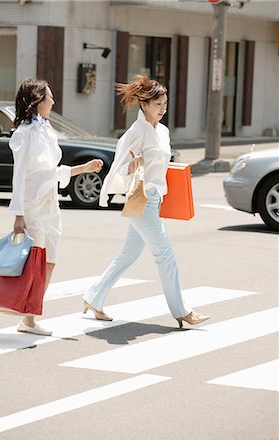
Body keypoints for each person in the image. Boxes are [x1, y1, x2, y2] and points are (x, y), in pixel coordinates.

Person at [82, 74, 210, 328]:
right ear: (144, 105)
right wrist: (134, 164)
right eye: (158, 104)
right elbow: (118, 169)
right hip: (140, 201)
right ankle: (181, 310)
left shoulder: (162, 131)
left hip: (155, 198)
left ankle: (92, 296)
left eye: (165, 104)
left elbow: (162, 165)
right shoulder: (136, 132)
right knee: (165, 255)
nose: (163, 109)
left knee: (128, 255)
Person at [0, 77, 103, 335]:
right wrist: (18, 214)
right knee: (21, 260)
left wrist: (83, 169)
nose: (54, 101)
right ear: (38, 100)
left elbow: (51, 170)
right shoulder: (23, 134)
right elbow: (20, 175)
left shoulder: (46, 130)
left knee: (50, 261)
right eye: (50, 97)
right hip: (31, 205)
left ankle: (27, 316)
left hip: (50, 203)